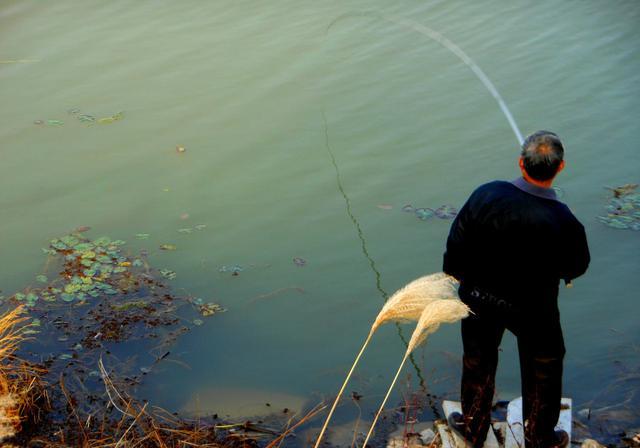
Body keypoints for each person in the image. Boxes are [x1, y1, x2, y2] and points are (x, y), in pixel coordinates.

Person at [442, 131, 590, 448]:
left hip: (481, 297)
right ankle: (539, 436)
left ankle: (474, 426)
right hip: (533, 308)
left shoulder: (486, 194)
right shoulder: (564, 220)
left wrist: (456, 275)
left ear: (520, 163)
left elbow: (456, 243)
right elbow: (576, 266)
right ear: (560, 167)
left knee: (478, 362)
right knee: (544, 366)